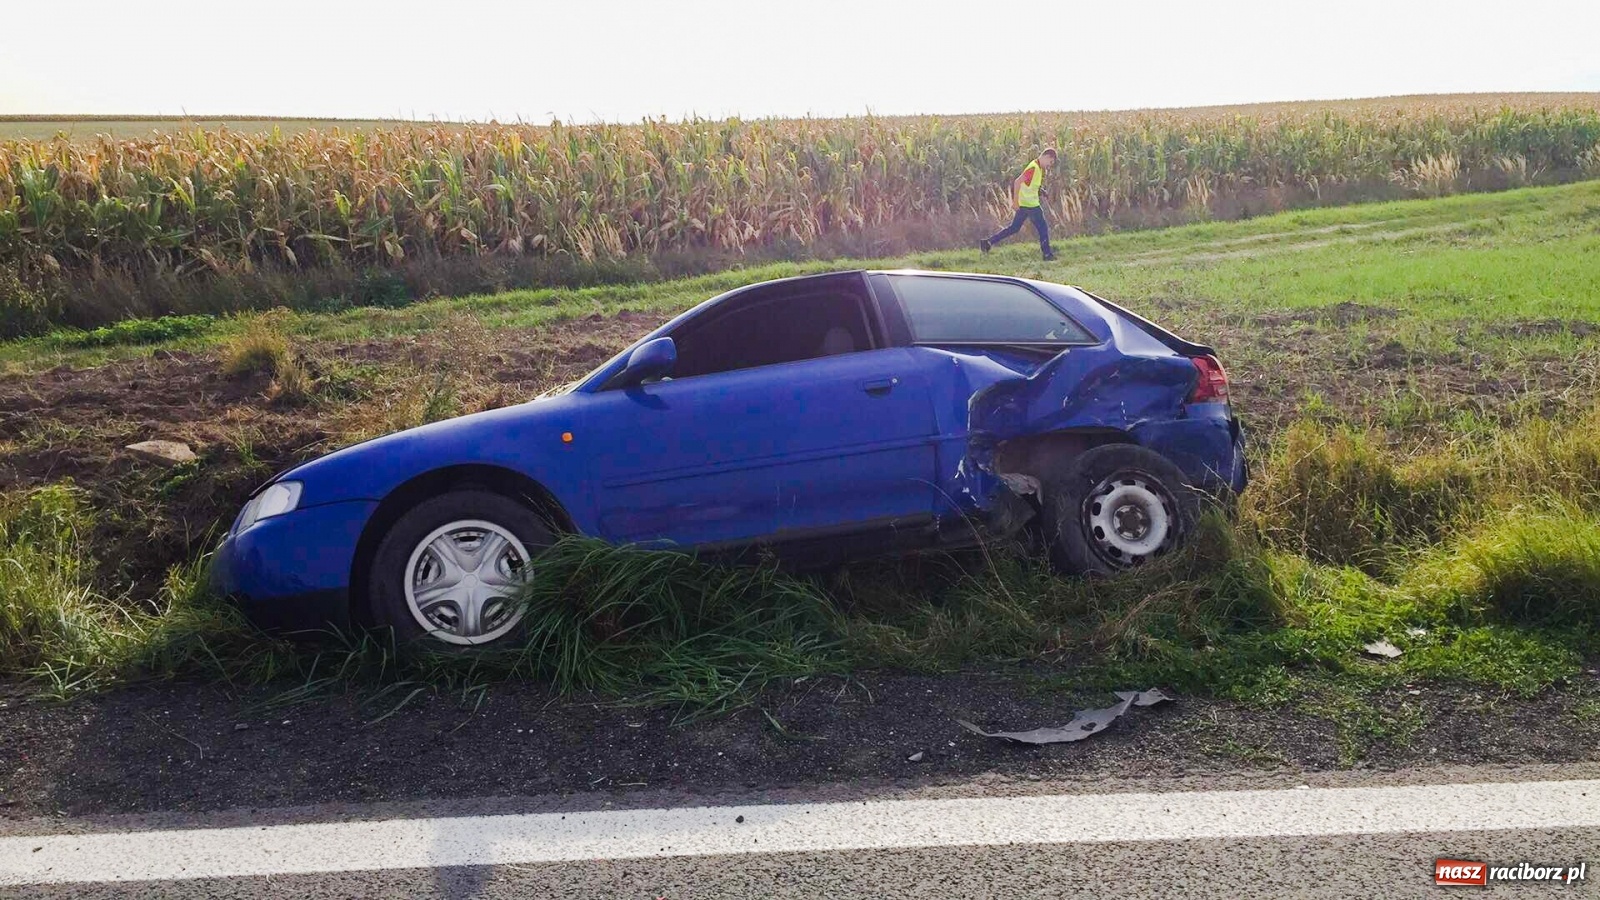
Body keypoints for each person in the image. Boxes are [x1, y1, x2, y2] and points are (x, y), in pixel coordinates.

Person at [980, 148, 1057, 261]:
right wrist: (1015, 202)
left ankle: (988, 243)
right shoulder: (1033, 167)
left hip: (1025, 204)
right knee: (1043, 229)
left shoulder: (1038, 168)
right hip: (1031, 205)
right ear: (1047, 157)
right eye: (1050, 162)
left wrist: (1041, 191)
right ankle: (1047, 255)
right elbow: (1018, 182)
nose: (1049, 165)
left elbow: (1030, 184)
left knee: (1013, 228)